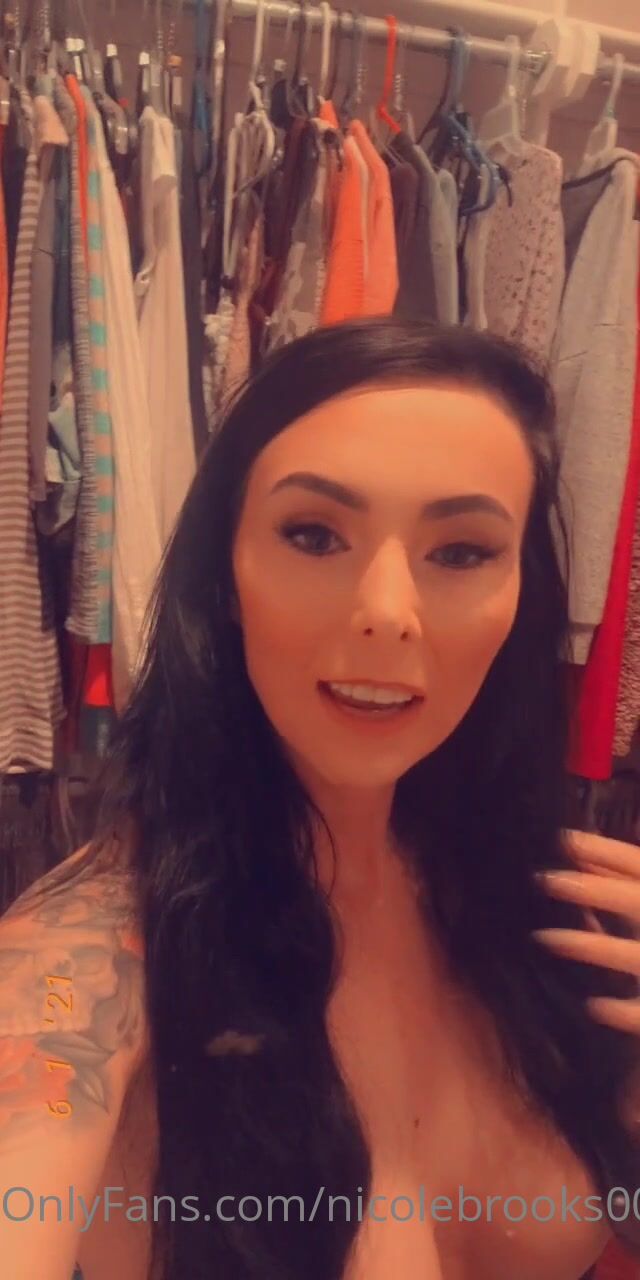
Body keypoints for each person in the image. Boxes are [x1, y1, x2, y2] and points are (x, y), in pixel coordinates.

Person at [1, 318, 640, 1280]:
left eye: (461, 552)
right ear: (226, 576)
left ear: (520, 597)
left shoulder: (549, 908)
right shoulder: (85, 960)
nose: (386, 610)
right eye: (314, 535)